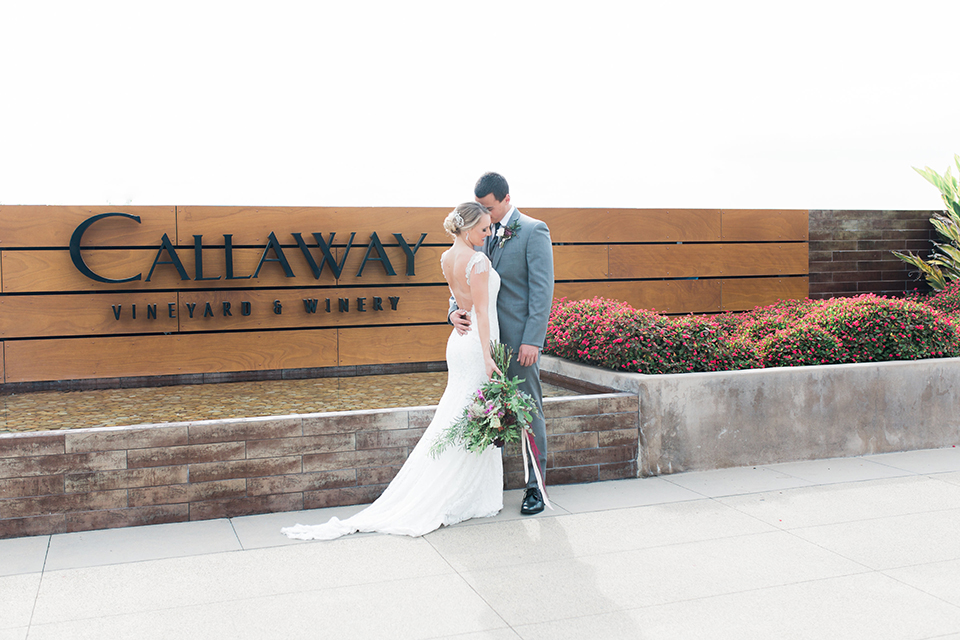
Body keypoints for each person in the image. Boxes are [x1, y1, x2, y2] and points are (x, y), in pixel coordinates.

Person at [282, 202, 503, 540]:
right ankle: (462, 493)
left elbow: (459, 304)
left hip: (457, 342)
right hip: (475, 346)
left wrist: (455, 317)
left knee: (457, 416)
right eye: (484, 228)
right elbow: (483, 314)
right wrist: (489, 357)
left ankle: (456, 487)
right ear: (468, 227)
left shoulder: (446, 258)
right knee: (470, 416)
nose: (488, 234)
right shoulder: (479, 261)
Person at [449, 172, 554, 515]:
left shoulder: (534, 230)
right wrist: (453, 312)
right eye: (479, 207)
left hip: (518, 342)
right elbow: (466, 281)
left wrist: (532, 341)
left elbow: (542, 291)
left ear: (506, 199)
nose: (484, 214)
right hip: (485, 344)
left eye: (488, 207)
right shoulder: (478, 234)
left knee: (529, 412)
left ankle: (535, 487)